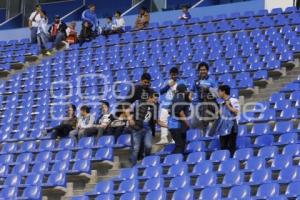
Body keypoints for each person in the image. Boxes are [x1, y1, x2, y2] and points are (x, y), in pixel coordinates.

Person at [128, 91, 167, 165]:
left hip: (147, 130)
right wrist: (130, 119)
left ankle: (147, 162)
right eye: (154, 99)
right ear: (150, 98)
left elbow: (157, 121)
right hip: (137, 129)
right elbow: (127, 110)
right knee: (136, 149)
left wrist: (167, 126)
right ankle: (133, 167)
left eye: (156, 100)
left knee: (148, 146)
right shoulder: (138, 102)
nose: (155, 101)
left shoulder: (154, 108)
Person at [157, 67, 185, 145]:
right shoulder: (166, 82)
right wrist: (168, 86)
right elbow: (161, 91)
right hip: (165, 105)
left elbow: (184, 93)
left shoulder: (181, 83)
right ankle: (163, 138)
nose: (173, 76)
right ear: (170, 75)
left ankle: (174, 139)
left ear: (177, 75)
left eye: (175, 75)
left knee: (174, 123)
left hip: (174, 106)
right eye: (172, 75)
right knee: (163, 121)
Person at [191, 62, 218, 135]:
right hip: (197, 104)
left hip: (208, 104)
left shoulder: (212, 81)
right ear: (199, 71)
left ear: (207, 70)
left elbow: (216, 94)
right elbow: (191, 92)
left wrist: (208, 88)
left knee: (207, 121)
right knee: (193, 123)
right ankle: (201, 134)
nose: (202, 71)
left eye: (204, 70)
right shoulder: (196, 81)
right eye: (201, 70)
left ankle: (206, 136)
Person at [214, 85, 240, 156]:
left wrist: (228, 106)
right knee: (223, 147)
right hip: (223, 127)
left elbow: (236, 111)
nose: (218, 93)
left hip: (232, 127)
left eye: (219, 91)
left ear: (223, 91)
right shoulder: (220, 102)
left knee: (231, 146)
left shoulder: (233, 100)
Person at [168, 84, 191, 154]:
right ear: (185, 91)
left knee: (181, 145)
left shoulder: (175, 98)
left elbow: (169, 110)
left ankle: (178, 160)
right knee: (180, 146)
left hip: (173, 125)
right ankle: (174, 161)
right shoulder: (180, 98)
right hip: (177, 126)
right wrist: (187, 124)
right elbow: (181, 113)